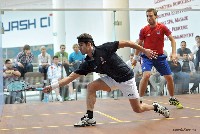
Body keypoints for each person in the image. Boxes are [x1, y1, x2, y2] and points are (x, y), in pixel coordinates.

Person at [43, 33, 170, 127]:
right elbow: (70, 78)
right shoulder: (87, 63)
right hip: (111, 79)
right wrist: (52, 86)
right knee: (91, 86)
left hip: (126, 79)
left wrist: (144, 51)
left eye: (81, 45)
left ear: (89, 44)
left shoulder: (105, 48)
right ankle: (90, 117)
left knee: (138, 109)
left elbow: (126, 43)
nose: (79, 48)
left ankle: (155, 107)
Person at [132, 8, 183, 109]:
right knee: (146, 75)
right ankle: (140, 99)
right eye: (147, 16)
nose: (148, 18)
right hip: (147, 57)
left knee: (169, 77)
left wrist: (173, 53)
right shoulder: (143, 30)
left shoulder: (162, 27)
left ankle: (172, 98)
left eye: (150, 16)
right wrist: (135, 57)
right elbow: (139, 44)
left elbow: (172, 40)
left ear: (156, 16)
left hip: (160, 57)